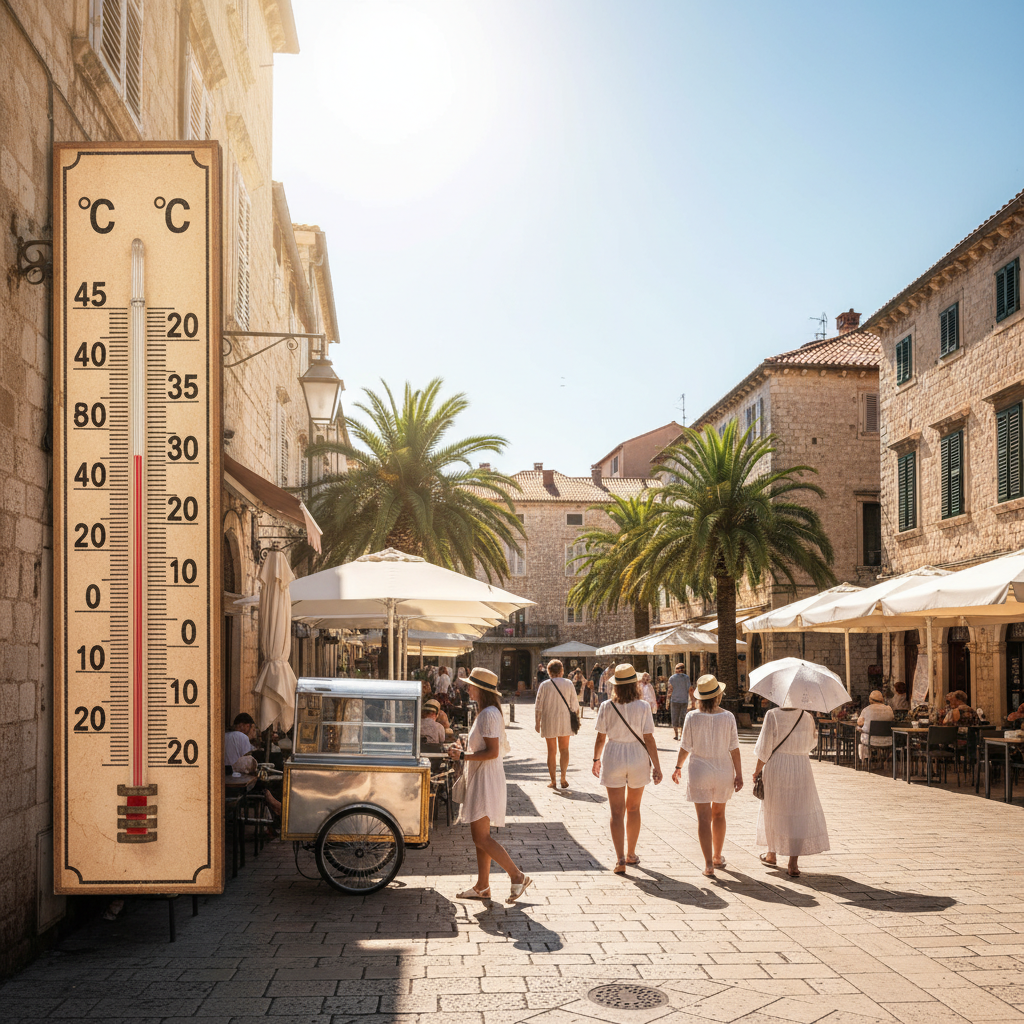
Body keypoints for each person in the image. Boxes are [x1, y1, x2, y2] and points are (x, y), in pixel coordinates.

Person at [448, 668, 532, 903]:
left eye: (471, 685)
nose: (467, 689)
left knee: (481, 837)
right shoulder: (486, 712)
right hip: (483, 776)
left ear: (481, 689)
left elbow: (493, 752)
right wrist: (465, 747)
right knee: (480, 836)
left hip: (485, 777)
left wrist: (463, 756)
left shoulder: (488, 714)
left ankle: (516, 875)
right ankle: (483, 886)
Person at [592, 664, 663, 873]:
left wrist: (596, 759)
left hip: (613, 754)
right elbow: (649, 737)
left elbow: (600, 737)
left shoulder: (606, 706)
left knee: (616, 811)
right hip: (637, 756)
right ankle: (632, 853)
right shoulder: (643, 706)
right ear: (635, 684)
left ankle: (620, 859)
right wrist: (657, 766)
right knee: (633, 808)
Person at [671, 675, 742, 877]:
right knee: (719, 814)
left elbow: (685, 747)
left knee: (703, 819)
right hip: (723, 769)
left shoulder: (692, 716)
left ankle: (709, 864)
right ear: (718, 696)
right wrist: (739, 774)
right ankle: (718, 856)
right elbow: (734, 749)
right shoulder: (728, 716)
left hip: (699, 769)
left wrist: (678, 766)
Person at [752, 705, 829, 877]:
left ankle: (771, 854)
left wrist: (757, 770)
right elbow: (812, 744)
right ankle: (793, 864)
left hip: (777, 765)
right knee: (798, 812)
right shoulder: (807, 717)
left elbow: (764, 747)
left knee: (773, 810)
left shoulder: (772, 715)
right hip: (801, 766)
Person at [224, 712, 282, 817]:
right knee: (261, 782)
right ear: (246, 726)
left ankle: (272, 804)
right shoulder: (242, 737)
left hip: (226, 777)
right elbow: (248, 760)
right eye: (253, 729)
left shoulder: (225, 735)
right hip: (235, 785)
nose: (254, 733)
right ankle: (273, 804)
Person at [535, 659, 580, 789]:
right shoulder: (569, 683)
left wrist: (537, 722)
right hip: (565, 719)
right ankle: (563, 777)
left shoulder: (544, 685)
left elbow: (538, 706)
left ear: (549, 672)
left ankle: (553, 780)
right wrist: (576, 718)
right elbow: (574, 705)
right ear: (562, 671)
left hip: (549, 720)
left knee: (551, 751)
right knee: (564, 749)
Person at [857, 689, 894, 762]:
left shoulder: (866, 710)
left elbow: (860, 723)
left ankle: (866, 758)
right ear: (882, 699)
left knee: (859, 731)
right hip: (888, 740)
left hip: (871, 740)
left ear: (870, 700)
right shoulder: (889, 709)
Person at [668, 663, 691, 741]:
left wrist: (667, 701)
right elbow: (689, 689)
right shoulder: (686, 678)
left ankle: (676, 735)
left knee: (675, 717)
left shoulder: (671, 678)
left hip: (674, 700)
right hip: (684, 700)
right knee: (682, 717)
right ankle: (681, 734)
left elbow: (670, 690)